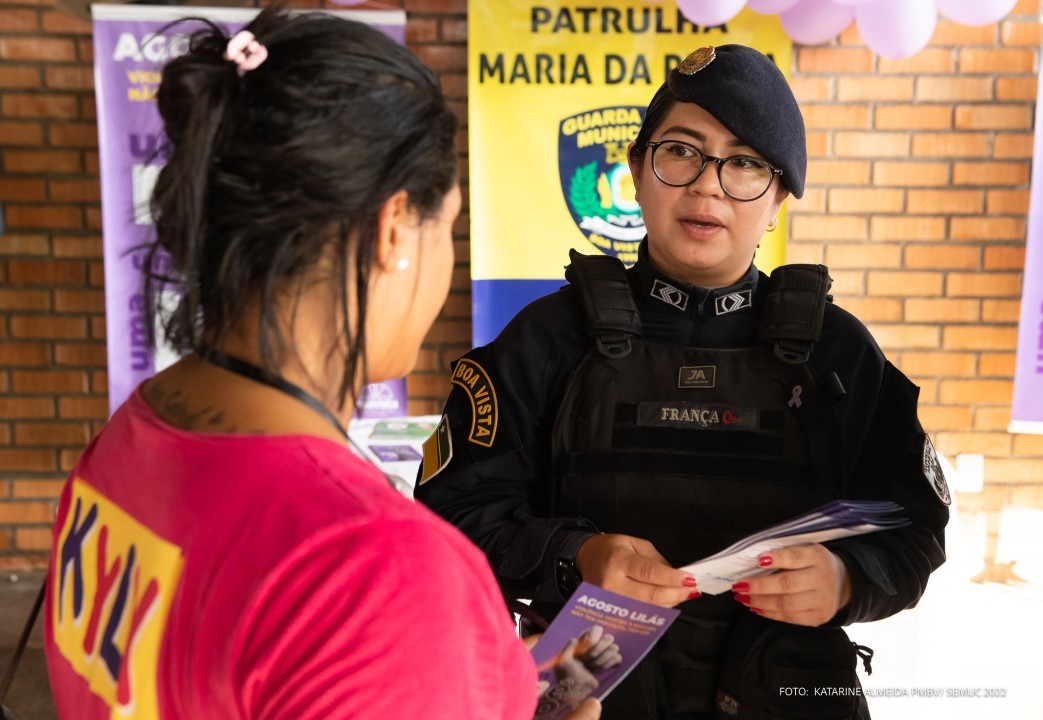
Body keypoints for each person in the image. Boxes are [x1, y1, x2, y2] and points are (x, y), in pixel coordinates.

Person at [43, 7, 600, 719]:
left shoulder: (131, 433)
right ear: (393, 230)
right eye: (449, 225)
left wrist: (458, 671)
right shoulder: (380, 569)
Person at [415, 44, 949, 720]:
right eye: (681, 152)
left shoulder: (836, 353)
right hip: (582, 681)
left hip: (789, 691)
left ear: (779, 196)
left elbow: (913, 527)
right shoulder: (547, 339)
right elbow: (449, 524)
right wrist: (574, 556)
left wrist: (848, 579)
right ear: (636, 169)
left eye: (745, 163)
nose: (707, 185)